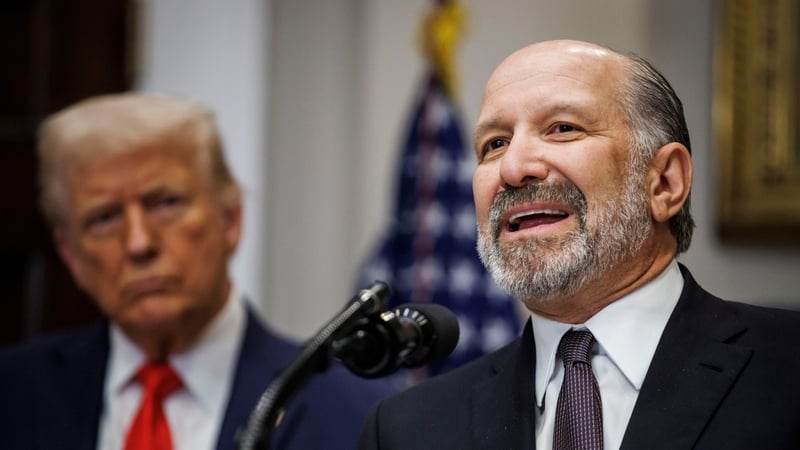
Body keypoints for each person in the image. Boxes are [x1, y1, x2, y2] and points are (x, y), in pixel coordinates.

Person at [359, 39, 800, 449]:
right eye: (494, 144)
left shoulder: (786, 370)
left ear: (665, 183)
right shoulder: (406, 429)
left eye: (563, 128)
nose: (513, 168)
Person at [0, 93, 396, 450]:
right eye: (104, 218)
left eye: (165, 203)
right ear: (70, 254)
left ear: (231, 219)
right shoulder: (15, 394)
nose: (139, 243)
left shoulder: (353, 411)